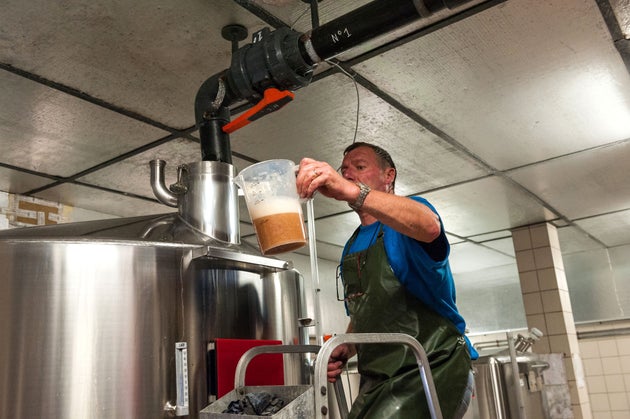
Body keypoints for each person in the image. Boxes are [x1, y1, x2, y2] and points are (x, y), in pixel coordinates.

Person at [296, 142, 478, 419]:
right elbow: (367, 307)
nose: (349, 174)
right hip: (378, 379)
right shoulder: (352, 244)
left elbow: (429, 226)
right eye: (344, 170)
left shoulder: (408, 220)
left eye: (359, 167)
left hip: (430, 368)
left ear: (388, 175)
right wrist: (348, 345)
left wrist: (353, 192)